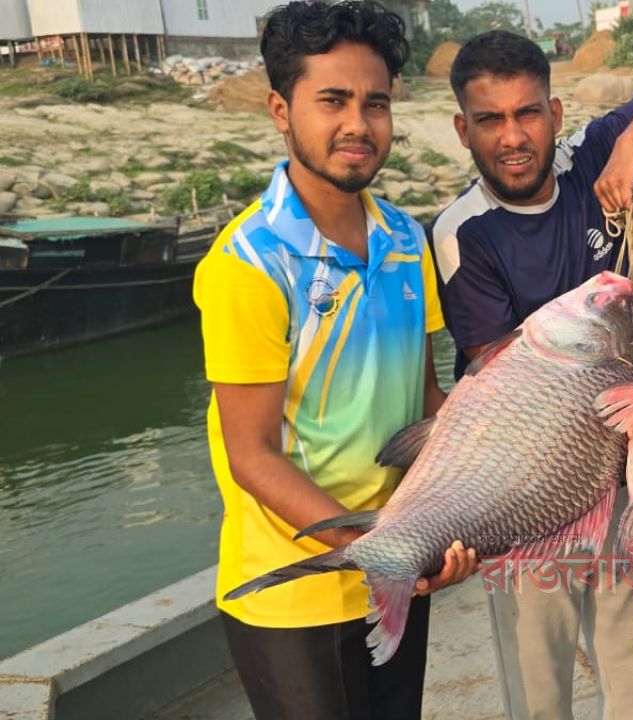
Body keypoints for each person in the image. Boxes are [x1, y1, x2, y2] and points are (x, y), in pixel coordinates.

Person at [193, 3, 477, 718]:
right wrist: (379, 546)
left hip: (392, 569)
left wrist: (458, 511)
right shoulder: (250, 263)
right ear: (280, 110)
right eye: (333, 101)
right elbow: (252, 455)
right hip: (294, 591)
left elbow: (424, 405)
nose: (358, 123)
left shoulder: (406, 240)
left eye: (374, 103)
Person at [427, 30, 633, 719]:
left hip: (620, 483)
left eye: (528, 113)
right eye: (490, 120)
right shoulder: (464, 231)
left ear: (554, 113)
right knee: (540, 690)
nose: (513, 136)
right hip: (526, 492)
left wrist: (632, 141)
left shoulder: (591, 159)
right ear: (463, 129)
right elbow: (502, 377)